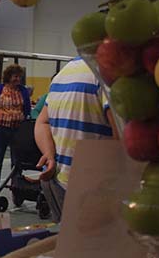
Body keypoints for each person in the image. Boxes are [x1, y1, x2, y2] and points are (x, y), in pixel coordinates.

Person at [35, 58, 115, 220]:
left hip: (58, 180)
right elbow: (125, 136)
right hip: (95, 189)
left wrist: (49, 155)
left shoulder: (65, 72)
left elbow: (42, 122)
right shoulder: (108, 74)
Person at [0, 65, 31, 200]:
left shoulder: (23, 91)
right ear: (8, 77)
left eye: (19, 76)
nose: (18, 79)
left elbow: (27, 109)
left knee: (17, 161)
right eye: (15, 76)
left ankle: (16, 189)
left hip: (18, 129)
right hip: (1, 128)